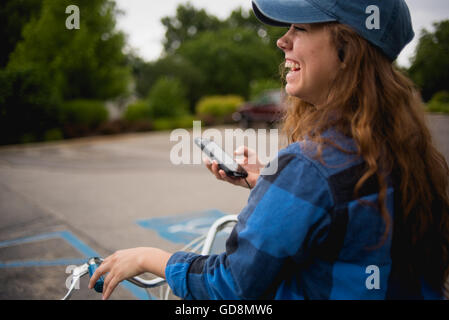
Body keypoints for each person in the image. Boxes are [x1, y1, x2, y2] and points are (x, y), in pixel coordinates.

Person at [89, 0, 449, 300]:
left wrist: (148, 258)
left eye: (301, 28)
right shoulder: (409, 150)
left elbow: (232, 287)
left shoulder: (309, 167)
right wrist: (274, 183)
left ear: (346, 51)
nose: (282, 41)